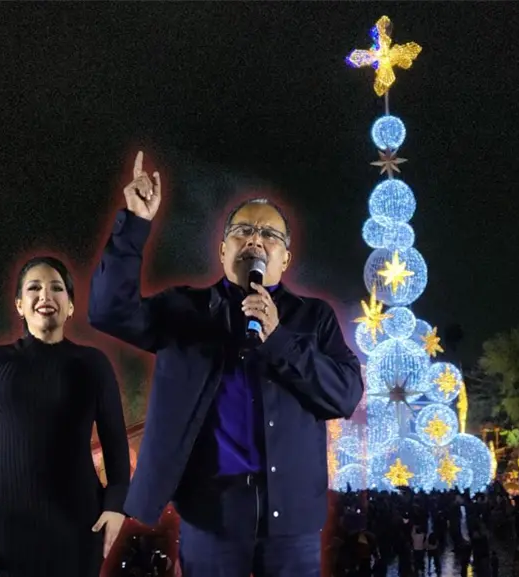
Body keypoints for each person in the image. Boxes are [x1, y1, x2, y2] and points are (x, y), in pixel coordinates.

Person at [89, 151, 364, 576]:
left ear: (285, 259)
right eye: (243, 231)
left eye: (269, 234)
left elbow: (345, 394)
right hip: (210, 516)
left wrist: (281, 340)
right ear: (222, 251)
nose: (255, 240)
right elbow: (108, 311)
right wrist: (134, 225)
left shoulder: (314, 319)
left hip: (291, 522)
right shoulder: (185, 309)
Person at [0, 256, 131, 577]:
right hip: (4, 525)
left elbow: (115, 442)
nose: (45, 296)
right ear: (19, 304)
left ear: (71, 306)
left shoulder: (92, 364)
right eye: (34, 288)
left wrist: (116, 506)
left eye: (57, 288)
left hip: (78, 522)